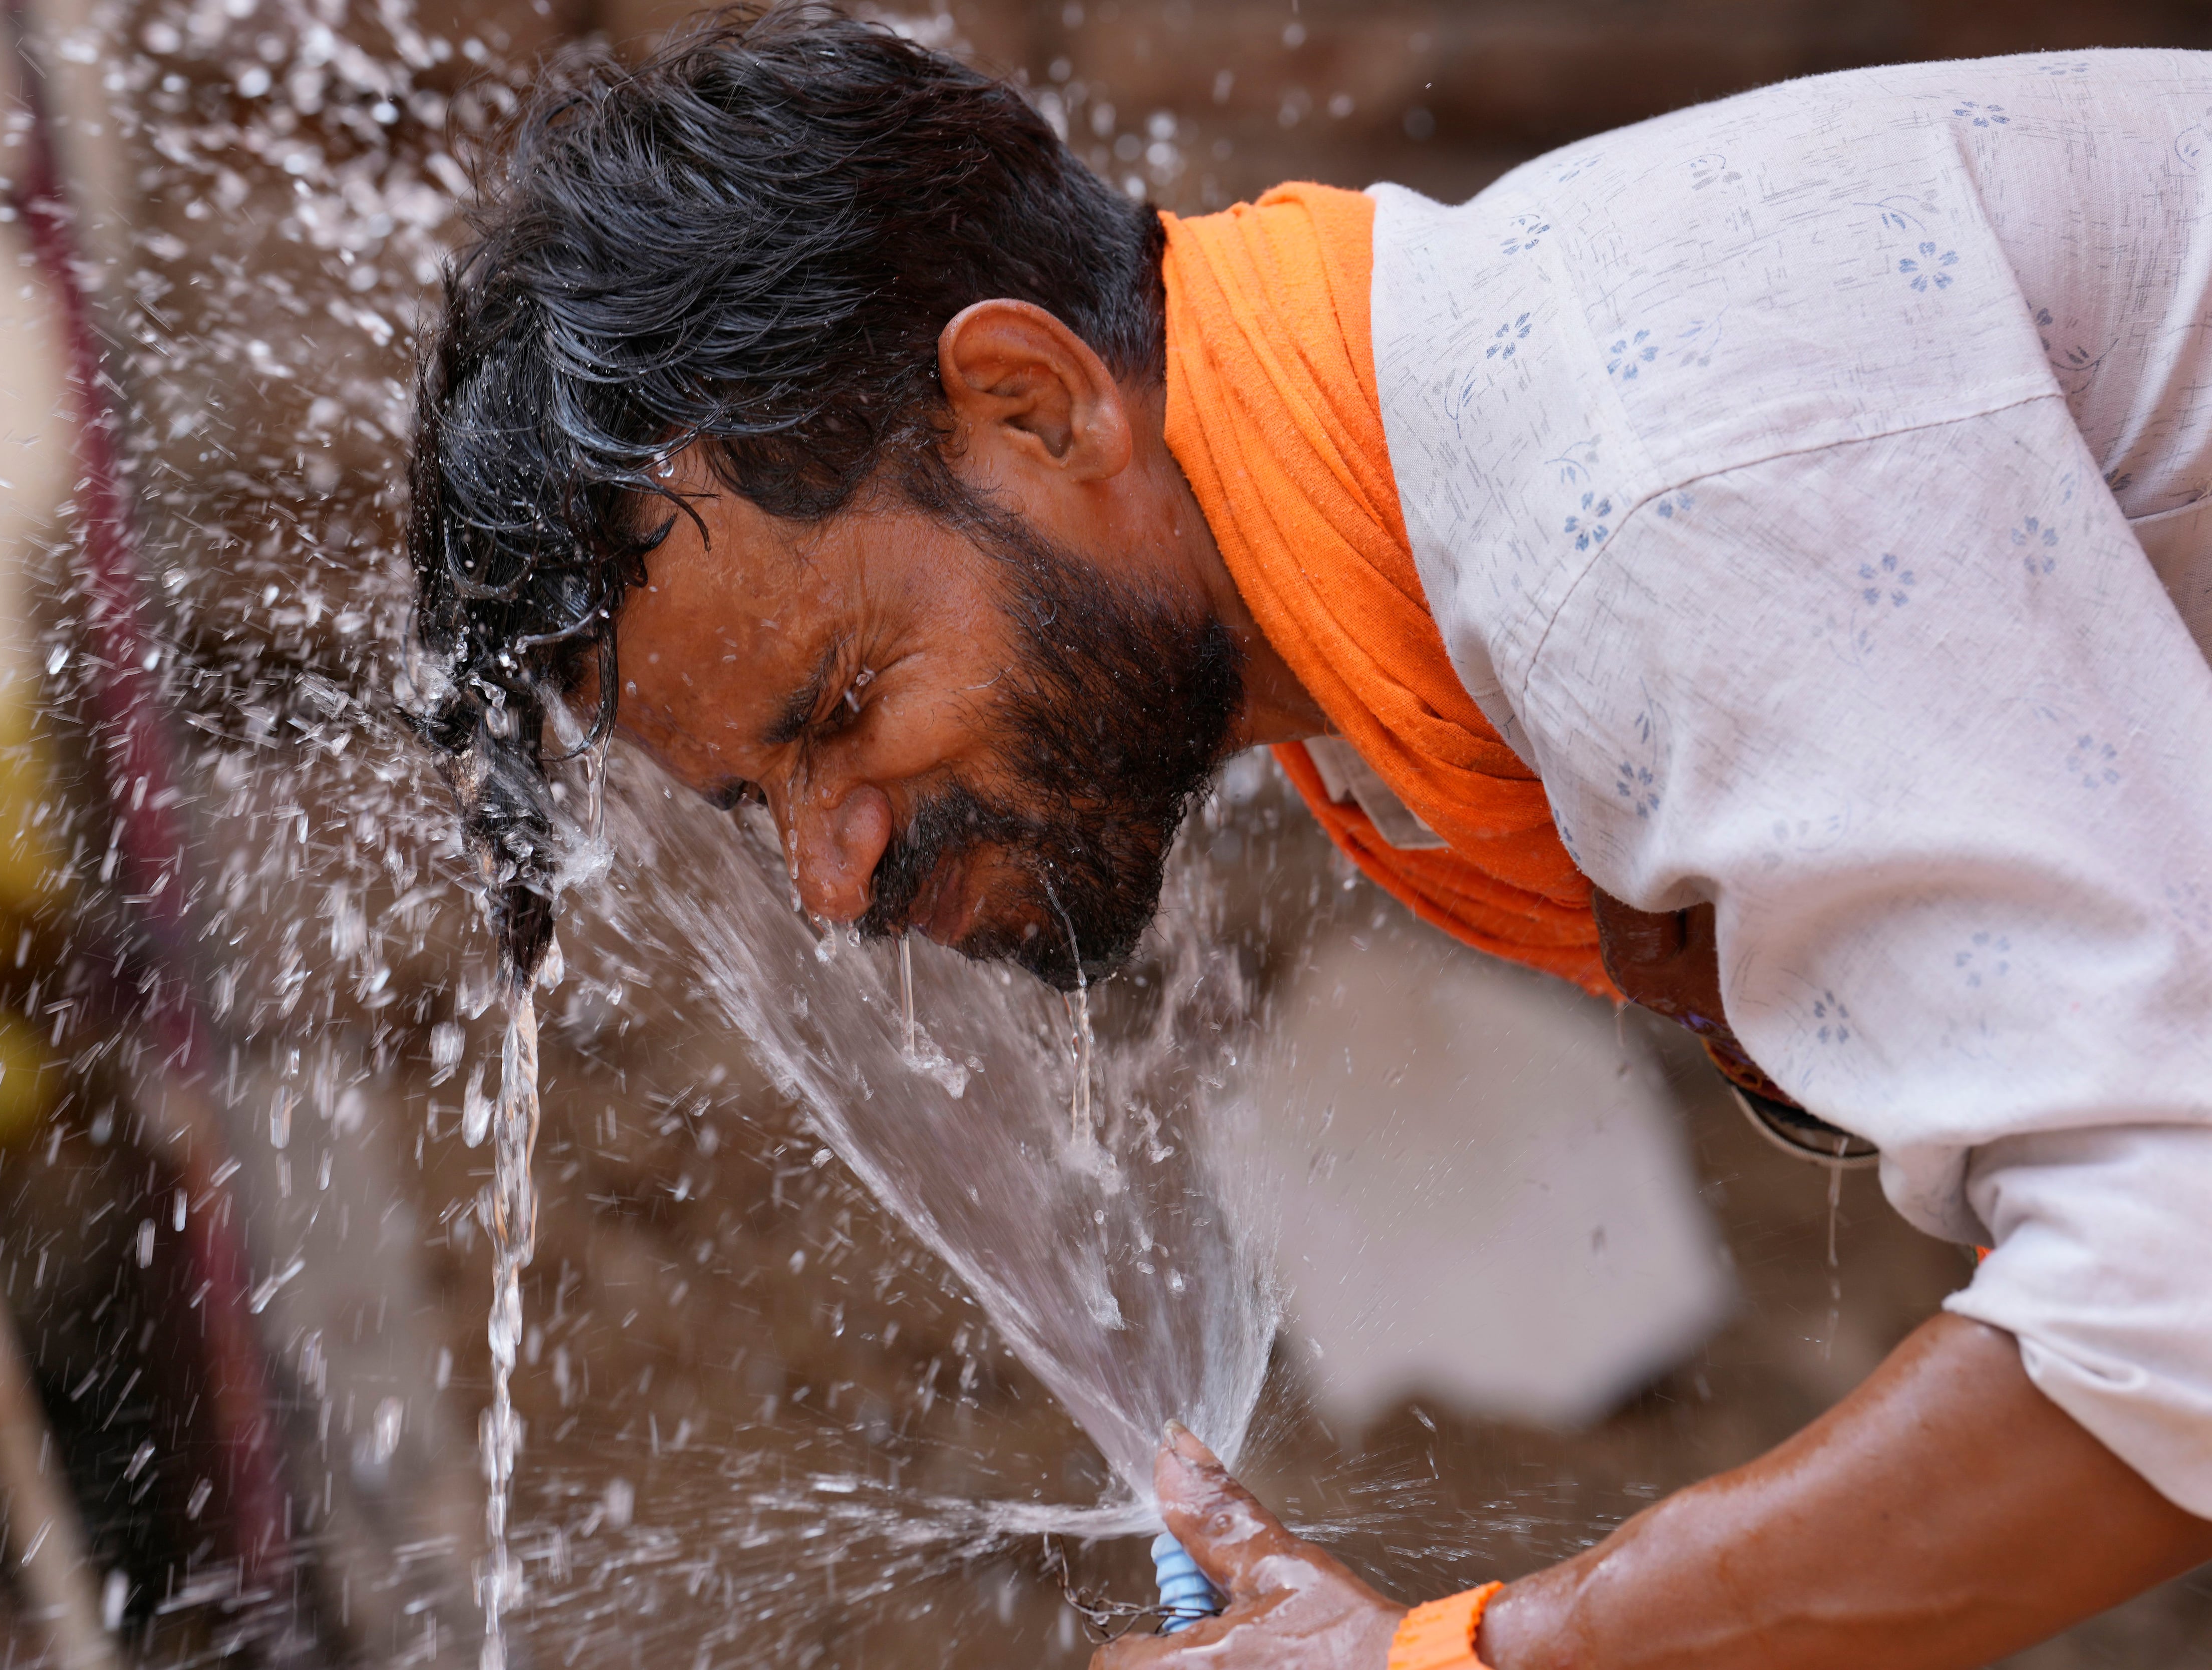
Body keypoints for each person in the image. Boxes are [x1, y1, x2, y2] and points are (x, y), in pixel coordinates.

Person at [408, 7, 2212, 1664]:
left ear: (1037, 404)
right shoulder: (1414, 648)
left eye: (835, 712)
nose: (829, 870)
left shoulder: (1622, 485)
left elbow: (2170, 1298)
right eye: (760, 800)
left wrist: (1472, 1660)